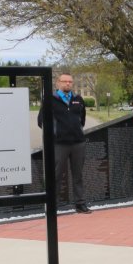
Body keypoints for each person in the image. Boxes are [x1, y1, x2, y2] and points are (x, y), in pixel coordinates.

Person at [38, 73, 91, 214]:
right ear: (58, 83)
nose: (68, 84)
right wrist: (55, 132)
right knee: (55, 176)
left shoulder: (78, 99)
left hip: (78, 143)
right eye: (65, 81)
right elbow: (41, 121)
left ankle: (80, 204)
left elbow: (82, 120)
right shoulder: (50, 100)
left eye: (70, 81)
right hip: (59, 144)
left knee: (78, 175)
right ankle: (52, 206)